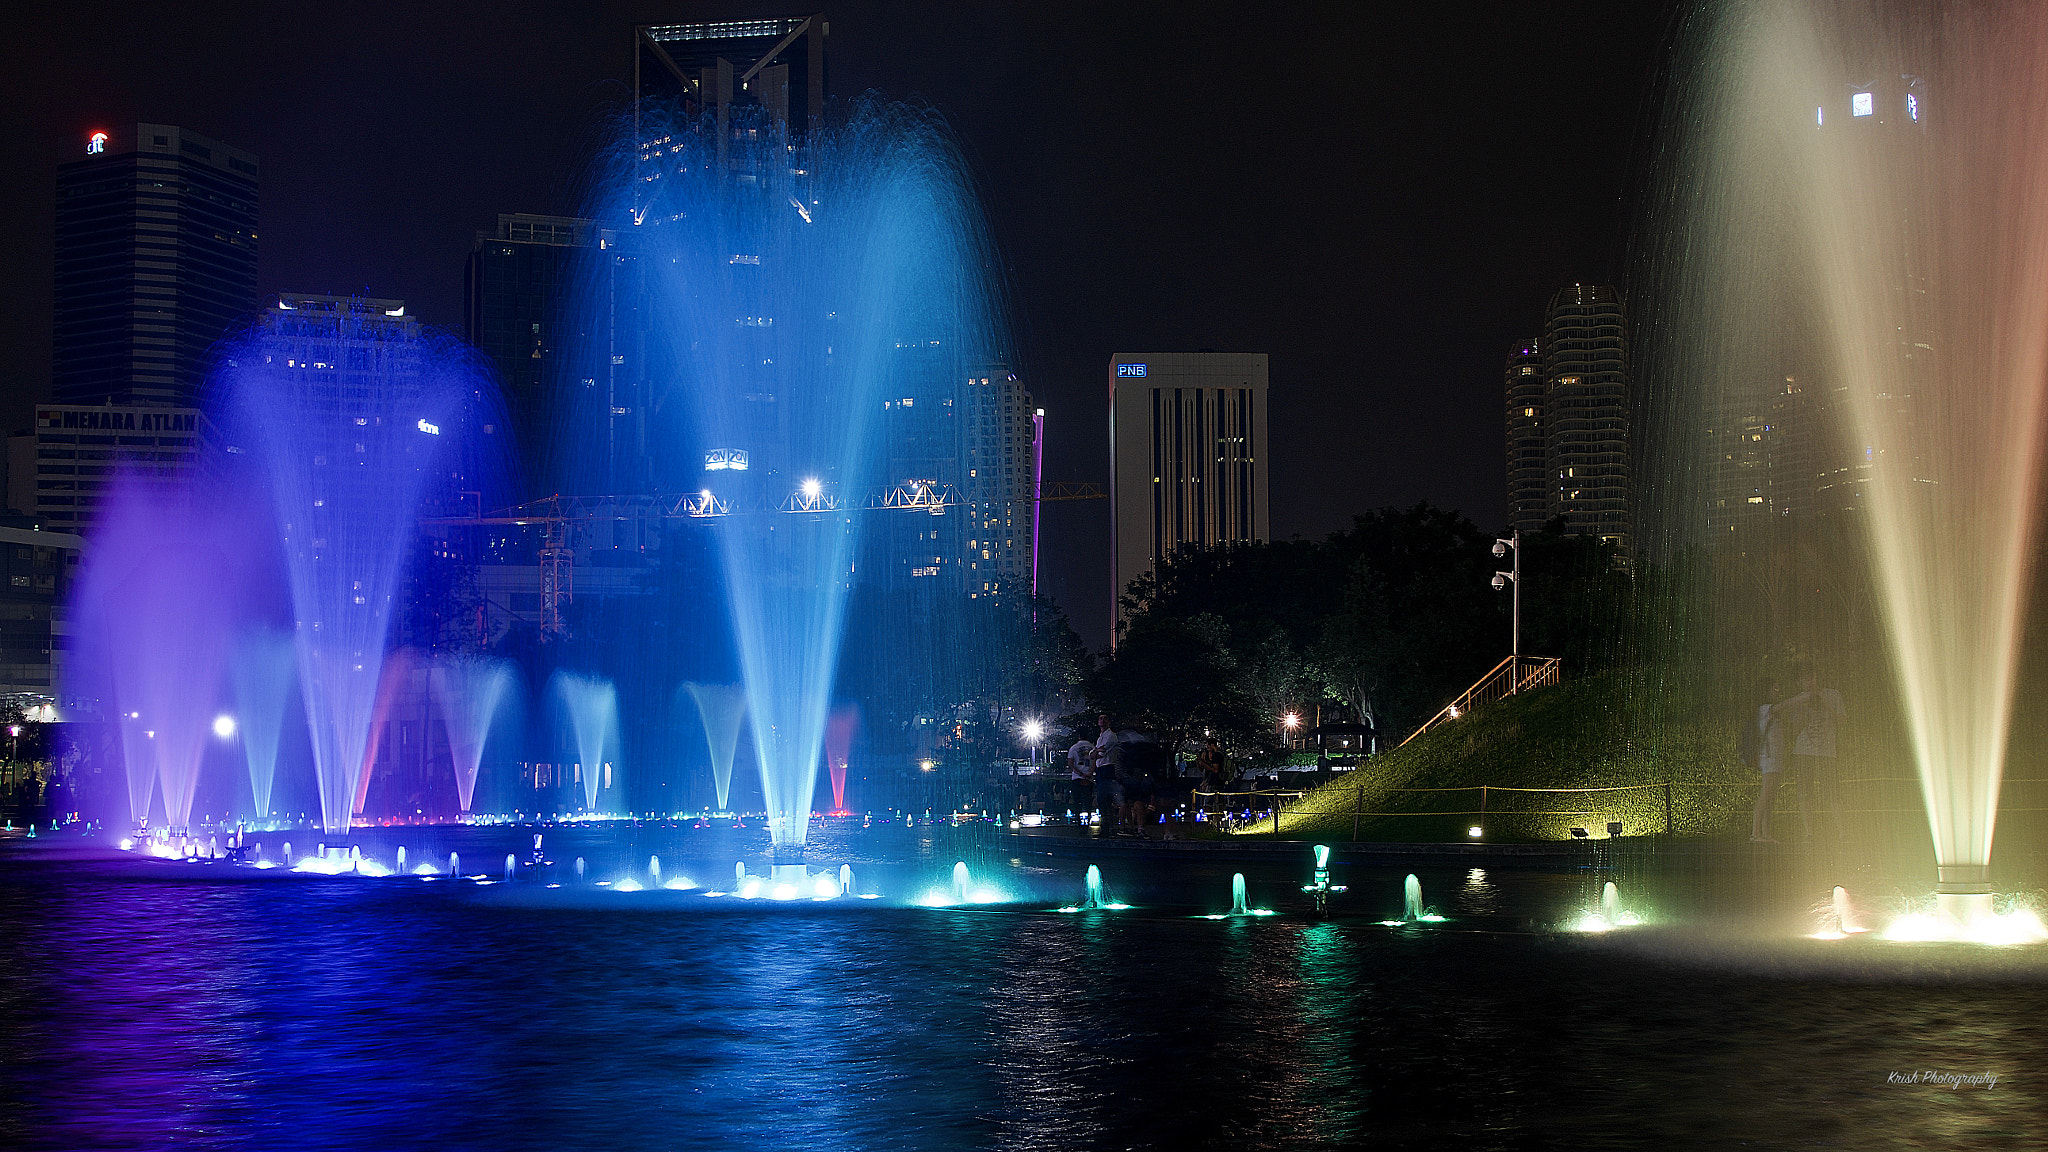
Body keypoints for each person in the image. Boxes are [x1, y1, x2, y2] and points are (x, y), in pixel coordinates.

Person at [1777, 663, 1847, 841]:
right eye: (1803, 679)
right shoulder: (1798, 700)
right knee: (1804, 791)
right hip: (1803, 752)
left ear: (1816, 677)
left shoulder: (1833, 695)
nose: (1807, 682)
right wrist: (1803, 711)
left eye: (1810, 677)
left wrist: (1824, 705)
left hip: (1827, 752)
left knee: (1832, 792)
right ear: (1799, 682)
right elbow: (1793, 731)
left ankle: (1842, 832)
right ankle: (1809, 832)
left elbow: (1843, 722)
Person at [1748, 679, 1788, 843]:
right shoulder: (1764, 709)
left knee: (1770, 797)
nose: (1777, 692)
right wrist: (1804, 696)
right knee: (1765, 795)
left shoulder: (1773, 712)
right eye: (1774, 689)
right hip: (1769, 757)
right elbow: (1782, 706)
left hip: (1776, 758)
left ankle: (1766, 833)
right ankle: (1755, 833)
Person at [1092, 715, 1124, 830]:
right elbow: (1093, 754)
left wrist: (1096, 751)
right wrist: (1096, 750)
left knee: (1104, 798)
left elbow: (1100, 753)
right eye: (1100, 718)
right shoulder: (1101, 737)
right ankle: (1106, 825)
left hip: (1107, 768)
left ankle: (1108, 826)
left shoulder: (1111, 736)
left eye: (1105, 718)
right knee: (1102, 798)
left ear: (1109, 722)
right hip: (1101, 769)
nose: (1102, 720)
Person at [1195, 738, 1229, 814]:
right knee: (1218, 802)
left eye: (1208, 746)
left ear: (1212, 745)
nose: (1207, 748)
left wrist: (1204, 764)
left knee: (1208, 803)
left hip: (1214, 781)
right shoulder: (1219, 754)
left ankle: (1212, 821)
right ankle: (1217, 819)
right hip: (1216, 781)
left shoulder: (1217, 755)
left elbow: (1215, 770)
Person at [1067, 738, 1095, 818]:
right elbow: (1095, 762)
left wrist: (1080, 773)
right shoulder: (1093, 747)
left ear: (1079, 736)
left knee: (1077, 799)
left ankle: (1078, 818)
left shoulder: (1073, 748)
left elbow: (1070, 764)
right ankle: (1089, 816)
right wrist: (1090, 773)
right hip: (1089, 777)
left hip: (1077, 777)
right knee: (1088, 799)